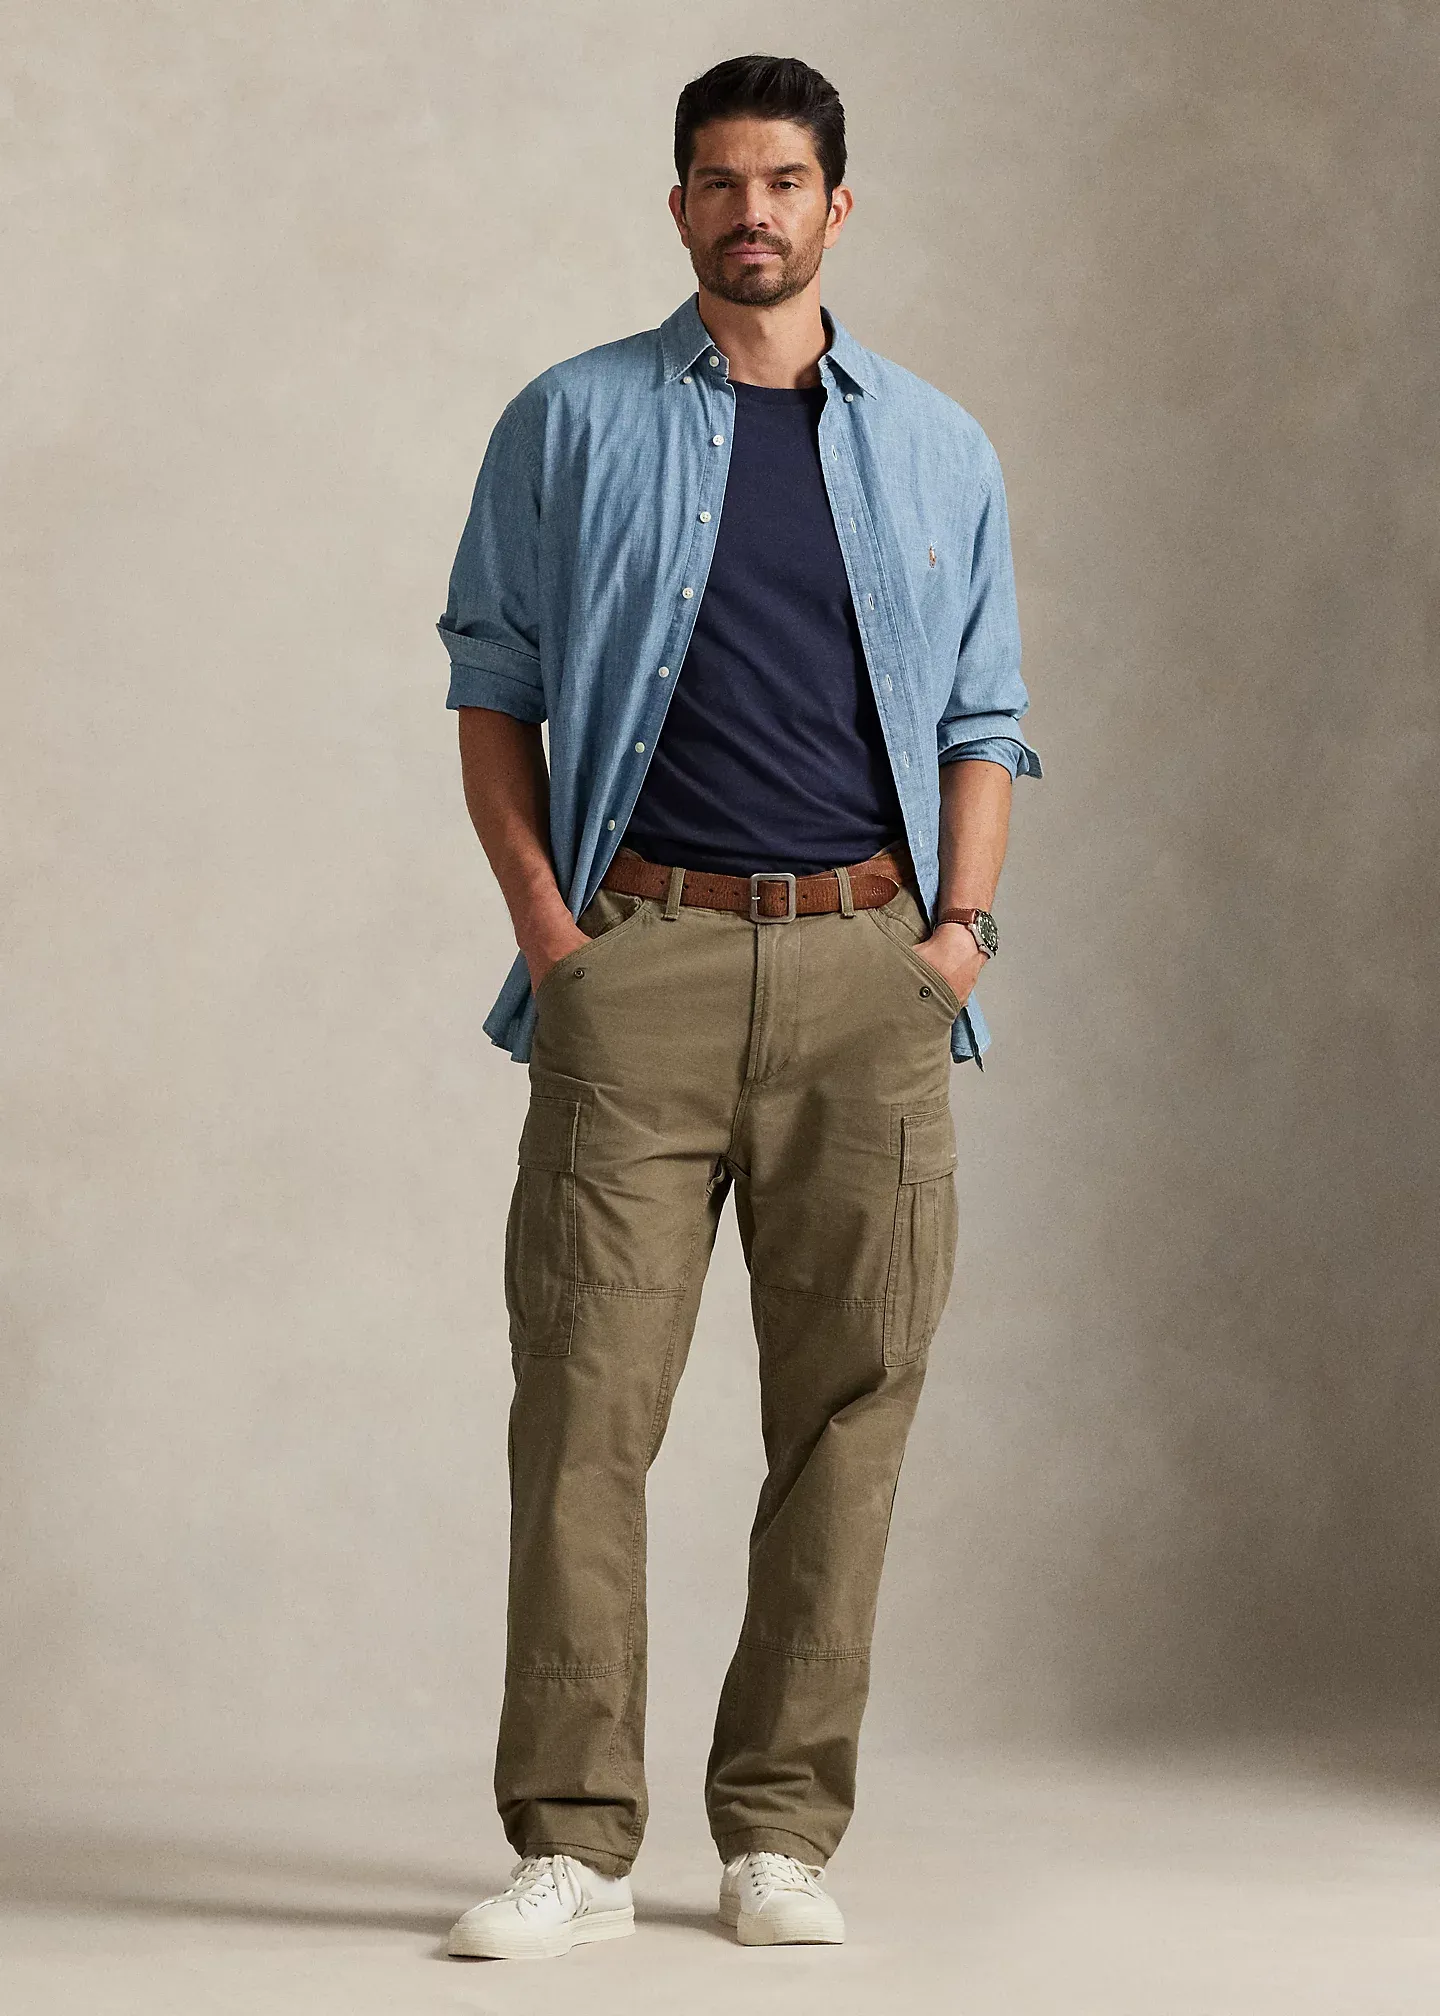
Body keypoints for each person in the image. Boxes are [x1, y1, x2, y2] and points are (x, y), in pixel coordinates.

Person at [435, 51, 1042, 1961]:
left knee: (850, 1412)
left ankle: (779, 1831)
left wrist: (959, 939)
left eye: (784, 182)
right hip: (642, 964)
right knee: (582, 1408)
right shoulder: (569, 421)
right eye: (719, 182)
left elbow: (985, 716)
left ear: (837, 206)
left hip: (872, 973)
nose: (752, 212)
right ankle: (573, 1846)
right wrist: (555, 938)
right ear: (680, 204)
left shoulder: (939, 446)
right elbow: (492, 688)